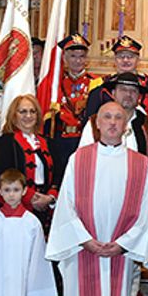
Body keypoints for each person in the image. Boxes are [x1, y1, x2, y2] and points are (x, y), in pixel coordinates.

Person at [45, 102, 148, 296]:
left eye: (118, 118)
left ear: (125, 125)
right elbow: (66, 205)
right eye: (107, 117)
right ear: (97, 124)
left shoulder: (139, 164)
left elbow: (146, 212)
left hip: (118, 256)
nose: (113, 123)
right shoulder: (79, 159)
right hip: (83, 253)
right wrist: (84, 240)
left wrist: (123, 243)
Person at [78, 72, 148, 296]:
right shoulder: (95, 123)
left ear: (140, 96)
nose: (128, 95)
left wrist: (134, 175)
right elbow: (83, 160)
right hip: (99, 205)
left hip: (137, 206)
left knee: (132, 263)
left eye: (133, 91)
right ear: (112, 93)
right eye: (123, 90)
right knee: (99, 263)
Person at [0, 95, 62, 296]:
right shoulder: (5, 142)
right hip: (18, 209)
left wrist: (50, 196)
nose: (28, 116)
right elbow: (4, 174)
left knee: (43, 263)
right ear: (14, 115)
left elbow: (57, 174)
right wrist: (30, 197)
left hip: (46, 211)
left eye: (32, 111)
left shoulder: (47, 142)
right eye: (23, 112)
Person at [45, 33, 95, 187]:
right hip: (61, 140)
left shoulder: (95, 83)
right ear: (65, 59)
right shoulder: (55, 83)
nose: (77, 60)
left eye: (81, 56)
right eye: (73, 56)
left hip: (83, 139)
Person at [82, 35, 148, 126]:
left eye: (130, 57)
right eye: (121, 57)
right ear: (115, 59)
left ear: (138, 59)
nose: (125, 60)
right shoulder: (101, 86)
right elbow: (91, 119)